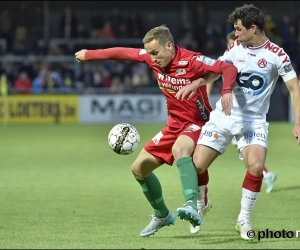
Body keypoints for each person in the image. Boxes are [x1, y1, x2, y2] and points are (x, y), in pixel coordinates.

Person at [75, 25, 238, 237]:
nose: (152, 58)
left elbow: (228, 68)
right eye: (149, 53)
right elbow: (122, 52)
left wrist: (225, 91)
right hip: (173, 124)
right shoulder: (151, 59)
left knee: (181, 149)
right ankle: (162, 214)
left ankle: (192, 205)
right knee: (138, 169)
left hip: (198, 121)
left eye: (155, 52)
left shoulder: (191, 60)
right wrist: (89, 55)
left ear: (169, 45)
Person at [175, 4, 300, 240]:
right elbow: (217, 69)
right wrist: (196, 83)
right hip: (224, 116)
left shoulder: (277, 55)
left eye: (239, 29)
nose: (236, 33)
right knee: (197, 165)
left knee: (256, 167)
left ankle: (243, 218)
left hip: (253, 121)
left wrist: (298, 122)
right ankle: (203, 202)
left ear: (254, 28)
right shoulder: (235, 47)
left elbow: (294, 88)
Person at [207, 30, 277, 196]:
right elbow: (210, 77)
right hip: (229, 113)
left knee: (248, 155)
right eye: (231, 43)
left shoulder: (249, 59)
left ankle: (266, 174)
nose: (233, 46)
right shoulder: (225, 59)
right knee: (245, 154)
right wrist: (207, 97)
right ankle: (266, 174)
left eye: (236, 42)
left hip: (246, 117)